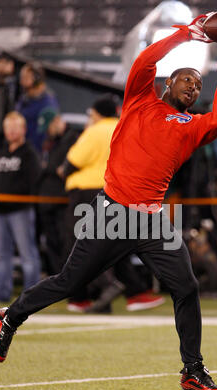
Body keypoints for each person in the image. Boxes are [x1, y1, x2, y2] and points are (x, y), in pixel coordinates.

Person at [0, 14, 217, 390]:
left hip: (153, 221)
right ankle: (10, 317)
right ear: (168, 82)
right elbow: (144, 63)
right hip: (112, 213)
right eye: (186, 78)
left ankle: (192, 369)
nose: (192, 86)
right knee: (69, 282)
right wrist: (184, 34)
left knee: (187, 287)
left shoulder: (190, 127)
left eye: (198, 84)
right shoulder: (140, 100)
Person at [58, 94, 164, 313]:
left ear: (96, 113)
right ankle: (135, 293)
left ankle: (82, 296)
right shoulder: (125, 127)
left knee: (78, 246)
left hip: (86, 194)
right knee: (115, 245)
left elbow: (71, 163)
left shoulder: (93, 132)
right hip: (118, 192)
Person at [0, 111, 42, 302]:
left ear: (23, 130)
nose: (11, 131)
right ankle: (1, 294)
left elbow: (34, 181)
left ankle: (31, 297)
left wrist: (18, 196)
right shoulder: (1, 152)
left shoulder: (29, 153)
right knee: (2, 256)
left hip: (20, 211)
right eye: (8, 128)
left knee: (28, 254)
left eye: (15, 128)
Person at [38, 111, 79, 275]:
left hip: (64, 202)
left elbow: (61, 168)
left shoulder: (72, 139)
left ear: (56, 121)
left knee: (67, 243)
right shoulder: (52, 142)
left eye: (48, 127)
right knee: (52, 243)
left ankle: (69, 280)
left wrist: (49, 168)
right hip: (48, 202)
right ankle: (57, 280)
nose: (47, 132)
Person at [15, 61, 59, 153]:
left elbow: (49, 137)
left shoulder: (48, 103)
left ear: (37, 78)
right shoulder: (24, 99)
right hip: (22, 150)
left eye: (25, 77)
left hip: (36, 153)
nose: (21, 81)